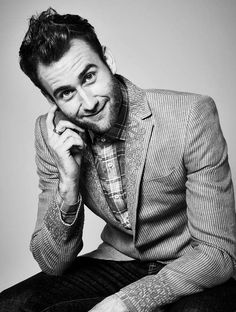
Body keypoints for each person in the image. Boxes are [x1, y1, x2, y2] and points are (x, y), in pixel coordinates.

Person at [1, 7, 236, 312]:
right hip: (120, 261)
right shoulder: (52, 137)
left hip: (193, 263)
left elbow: (219, 253)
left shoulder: (191, 116)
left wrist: (128, 301)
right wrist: (68, 184)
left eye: (89, 76)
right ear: (51, 99)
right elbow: (53, 263)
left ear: (108, 60)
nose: (88, 102)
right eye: (66, 93)